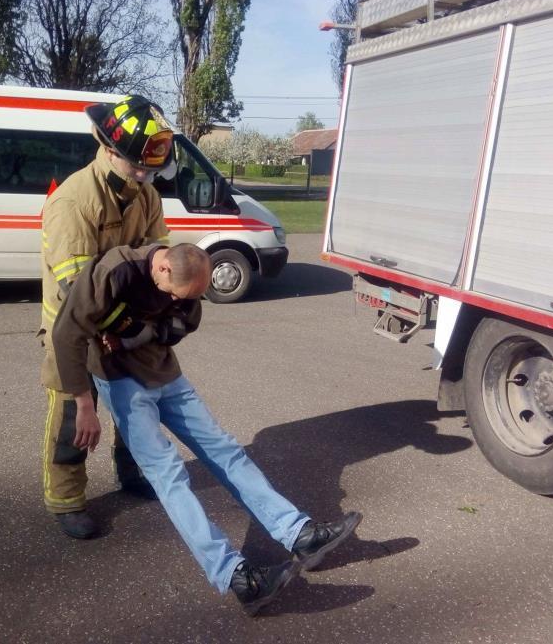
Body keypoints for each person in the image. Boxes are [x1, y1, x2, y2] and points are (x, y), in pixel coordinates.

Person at [52, 242, 363, 616]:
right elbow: (66, 334)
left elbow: (182, 325)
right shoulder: (115, 272)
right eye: (174, 295)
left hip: (165, 373)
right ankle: (236, 576)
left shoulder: (189, 276)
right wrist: (85, 405)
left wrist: (134, 331)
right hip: (121, 380)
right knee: (168, 476)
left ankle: (299, 533)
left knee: (225, 450)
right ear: (163, 268)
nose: (179, 301)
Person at [39, 94, 177, 540]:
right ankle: (66, 500)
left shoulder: (146, 194)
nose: (144, 176)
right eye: (138, 166)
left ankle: (132, 473)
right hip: (74, 328)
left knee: (134, 406)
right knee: (72, 420)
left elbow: (160, 262)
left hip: (125, 320)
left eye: (150, 169)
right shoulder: (74, 201)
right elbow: (78, 292)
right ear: (110, 148)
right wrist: (130, 327)